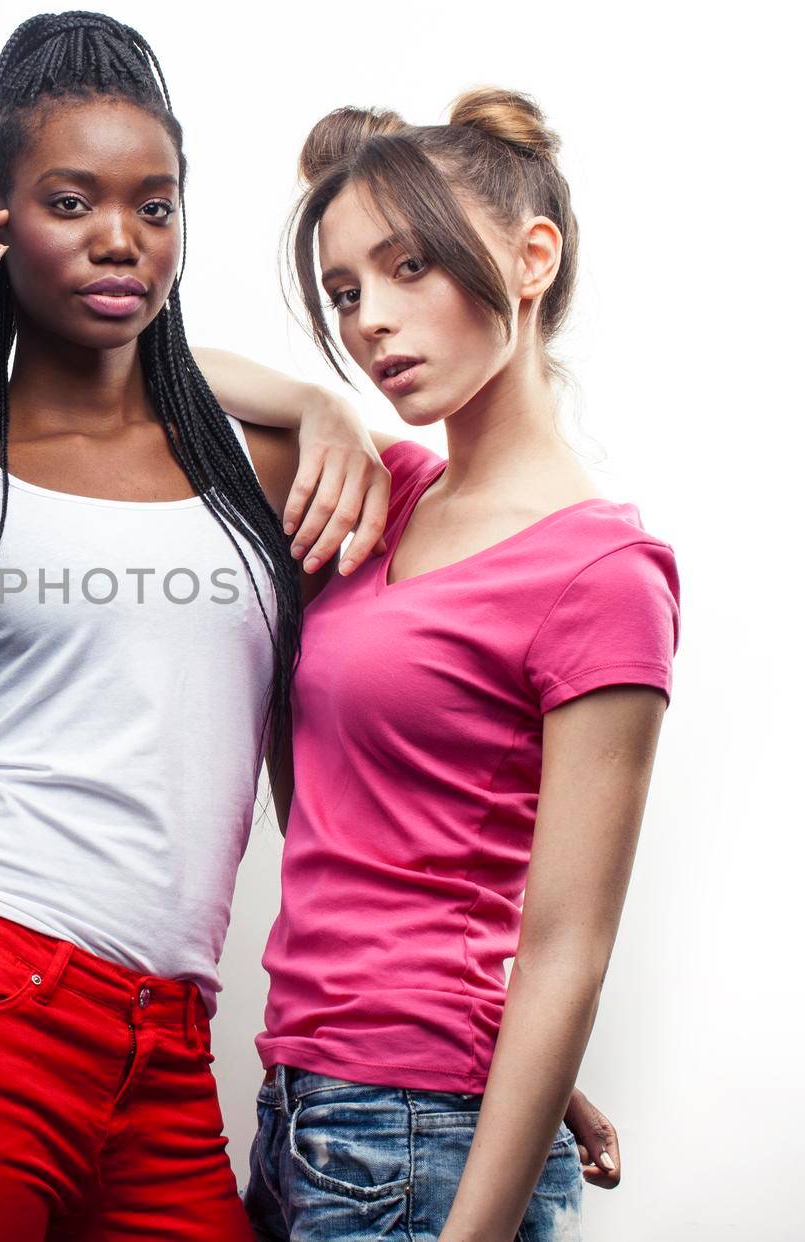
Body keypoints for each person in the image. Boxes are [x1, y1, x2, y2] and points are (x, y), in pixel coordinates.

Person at [0, 9, 403, 1242]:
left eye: (155, 204)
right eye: (71, 202)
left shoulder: (261, 455)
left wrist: (316, 400)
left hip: (171, 1051)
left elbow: (344, 777)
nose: (120, 239)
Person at [203, 91, 678, 1241]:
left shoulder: (602, 572)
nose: (369, 320)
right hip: (313, 1101)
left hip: (416, 1143)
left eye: (409, 267)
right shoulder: (383, 491)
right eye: (344, 290)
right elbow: (141, 359)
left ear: (529, 257)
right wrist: (320, 405)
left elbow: (569, 941)